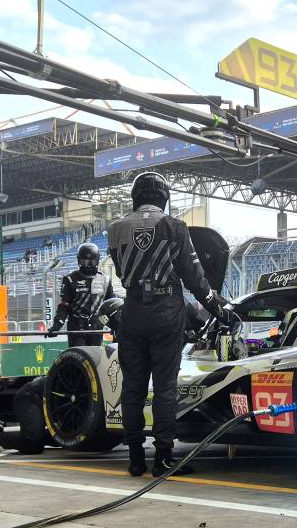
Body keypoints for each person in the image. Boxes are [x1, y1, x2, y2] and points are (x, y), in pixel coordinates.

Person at [107, 172, 228, 477]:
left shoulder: (115, 228)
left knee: (132, 388)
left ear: (136, 196)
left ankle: (135, 458)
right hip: (166, 310)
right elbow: (193, 276)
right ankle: (162, 458)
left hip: (132, 309)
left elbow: (122, 269)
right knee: (164, 387)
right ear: (163, 197)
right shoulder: (174, 226)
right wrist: (215, 305)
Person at [46, 242, 114, 347]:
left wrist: (115, 325)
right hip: (76, 327)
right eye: (85, 261)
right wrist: (57, 324)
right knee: (79, 357)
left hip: (96, 327)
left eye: (92, 262)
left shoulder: (105, 280)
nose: (89, 265)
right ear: (79, 261)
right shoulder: (70, 279)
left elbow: (111, 304)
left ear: (97, 262)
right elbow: (64, 305)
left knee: (94, 359)